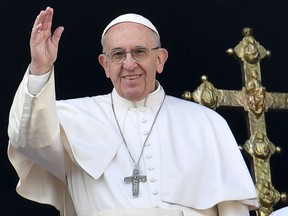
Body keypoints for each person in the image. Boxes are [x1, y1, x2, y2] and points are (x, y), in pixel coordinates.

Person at [7, 6, 259, 216]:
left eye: (139, 51)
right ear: (105, 65)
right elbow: (27, 138)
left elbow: (232, 210)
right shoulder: (72, 118)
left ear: (159, 59)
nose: (129, 64)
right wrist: (39, 68)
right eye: (117, 54)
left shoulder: (206, 124)